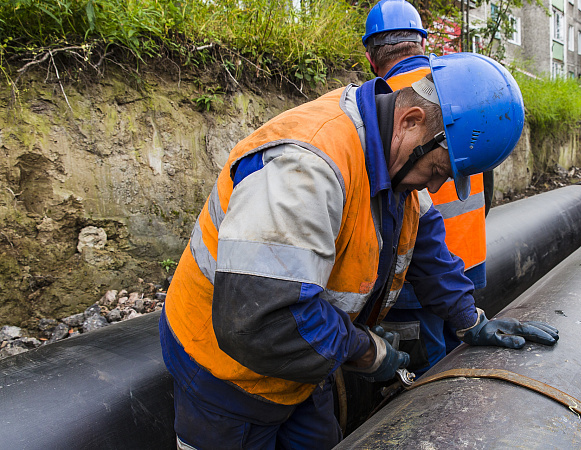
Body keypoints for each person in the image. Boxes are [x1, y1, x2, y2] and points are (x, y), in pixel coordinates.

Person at [159, 52, 560, 450]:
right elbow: (261, 318)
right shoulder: (306, 166)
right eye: (438, 171)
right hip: (224, 373)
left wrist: (468, 320)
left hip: (298, 366)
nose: (435, 188)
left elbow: (428, 252)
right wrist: (365, 350)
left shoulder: (394, 162)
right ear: (411, 121)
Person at [362, 0, 490, 376]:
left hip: (411, 272)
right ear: (422, 42)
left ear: (371, 57)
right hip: (466, 260)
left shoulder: (378, 102)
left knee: (426, 378)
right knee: (464, 354)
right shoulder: (460, 94)